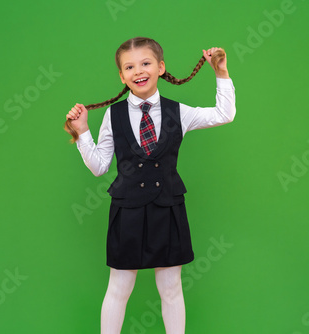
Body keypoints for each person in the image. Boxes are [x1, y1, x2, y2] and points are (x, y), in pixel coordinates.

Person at [65, 36, 236, 334]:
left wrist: (221, 72)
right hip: (127, 209)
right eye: (129, 66)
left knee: (171, 288)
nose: (138, 71)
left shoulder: (178, 112)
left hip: (168, 206)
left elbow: (225, 114)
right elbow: (99, 167)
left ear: (160, 67)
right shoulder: (112, 115)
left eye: (145, 63)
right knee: (119, 288)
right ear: (121, 75)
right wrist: (82, 133)